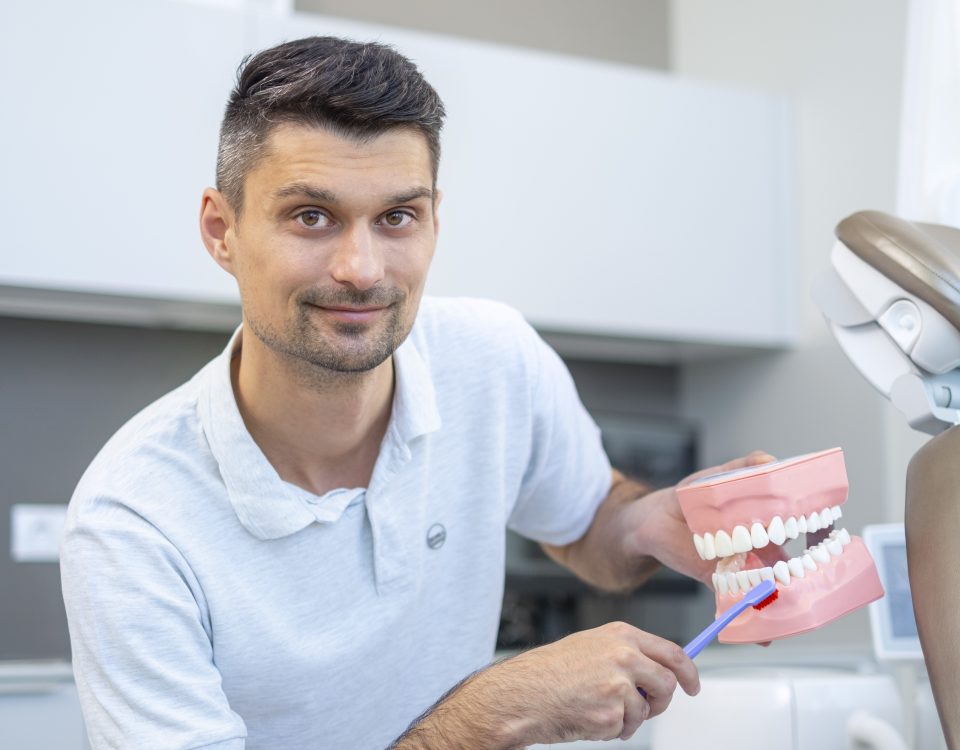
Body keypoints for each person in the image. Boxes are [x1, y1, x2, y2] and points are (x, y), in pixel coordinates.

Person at [60, 36, 771, 749]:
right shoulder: (133, 523)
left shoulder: (494, 360)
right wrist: (490, 715)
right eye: (312, 216)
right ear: (222, 231)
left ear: (434, 218)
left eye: (397, 217)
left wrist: (646, 523)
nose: (360, 269)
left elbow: (590, 528)